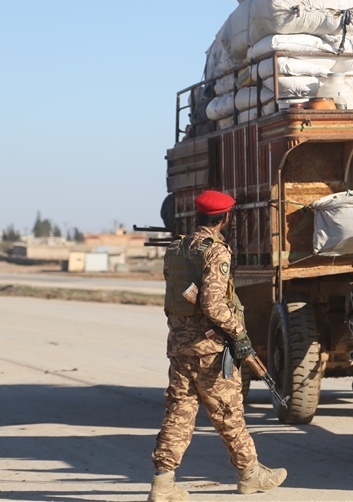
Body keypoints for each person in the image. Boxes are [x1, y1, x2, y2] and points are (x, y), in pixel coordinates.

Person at [147, 190, 286, 500]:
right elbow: (212, 304)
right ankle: (249, 474)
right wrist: (239, 336)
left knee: (178, 413)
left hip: (180, 346)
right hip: (209, 350)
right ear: (225, 218)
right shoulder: (216, 251)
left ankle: (163, 482)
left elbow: (178, 295)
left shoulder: (176, 247)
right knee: (228, 413)